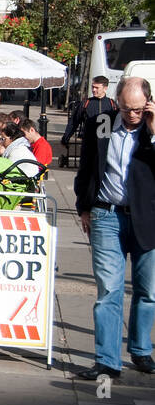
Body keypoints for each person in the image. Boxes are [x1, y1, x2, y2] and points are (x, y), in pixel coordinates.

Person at [74, 76, 155, 381]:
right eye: (125, 108)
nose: (131, 115)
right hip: (106, 215)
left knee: (148, 290)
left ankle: (140, 348)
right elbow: (88, 166)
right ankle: (107, 360)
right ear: (116, 102)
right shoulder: (103, 123)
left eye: (137, 109)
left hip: (148, 219)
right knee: (109, 289)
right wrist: (84, 206)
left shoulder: (151, 128)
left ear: (147, 103)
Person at [61, 76, 117, 168]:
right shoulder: (86, 103)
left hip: (106, 144)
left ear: (105, 88)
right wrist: (66, 137)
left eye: (97, 88)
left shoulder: (111, 104)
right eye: (92, 87)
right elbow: (74, 121)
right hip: (89, 143)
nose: (94, 90)